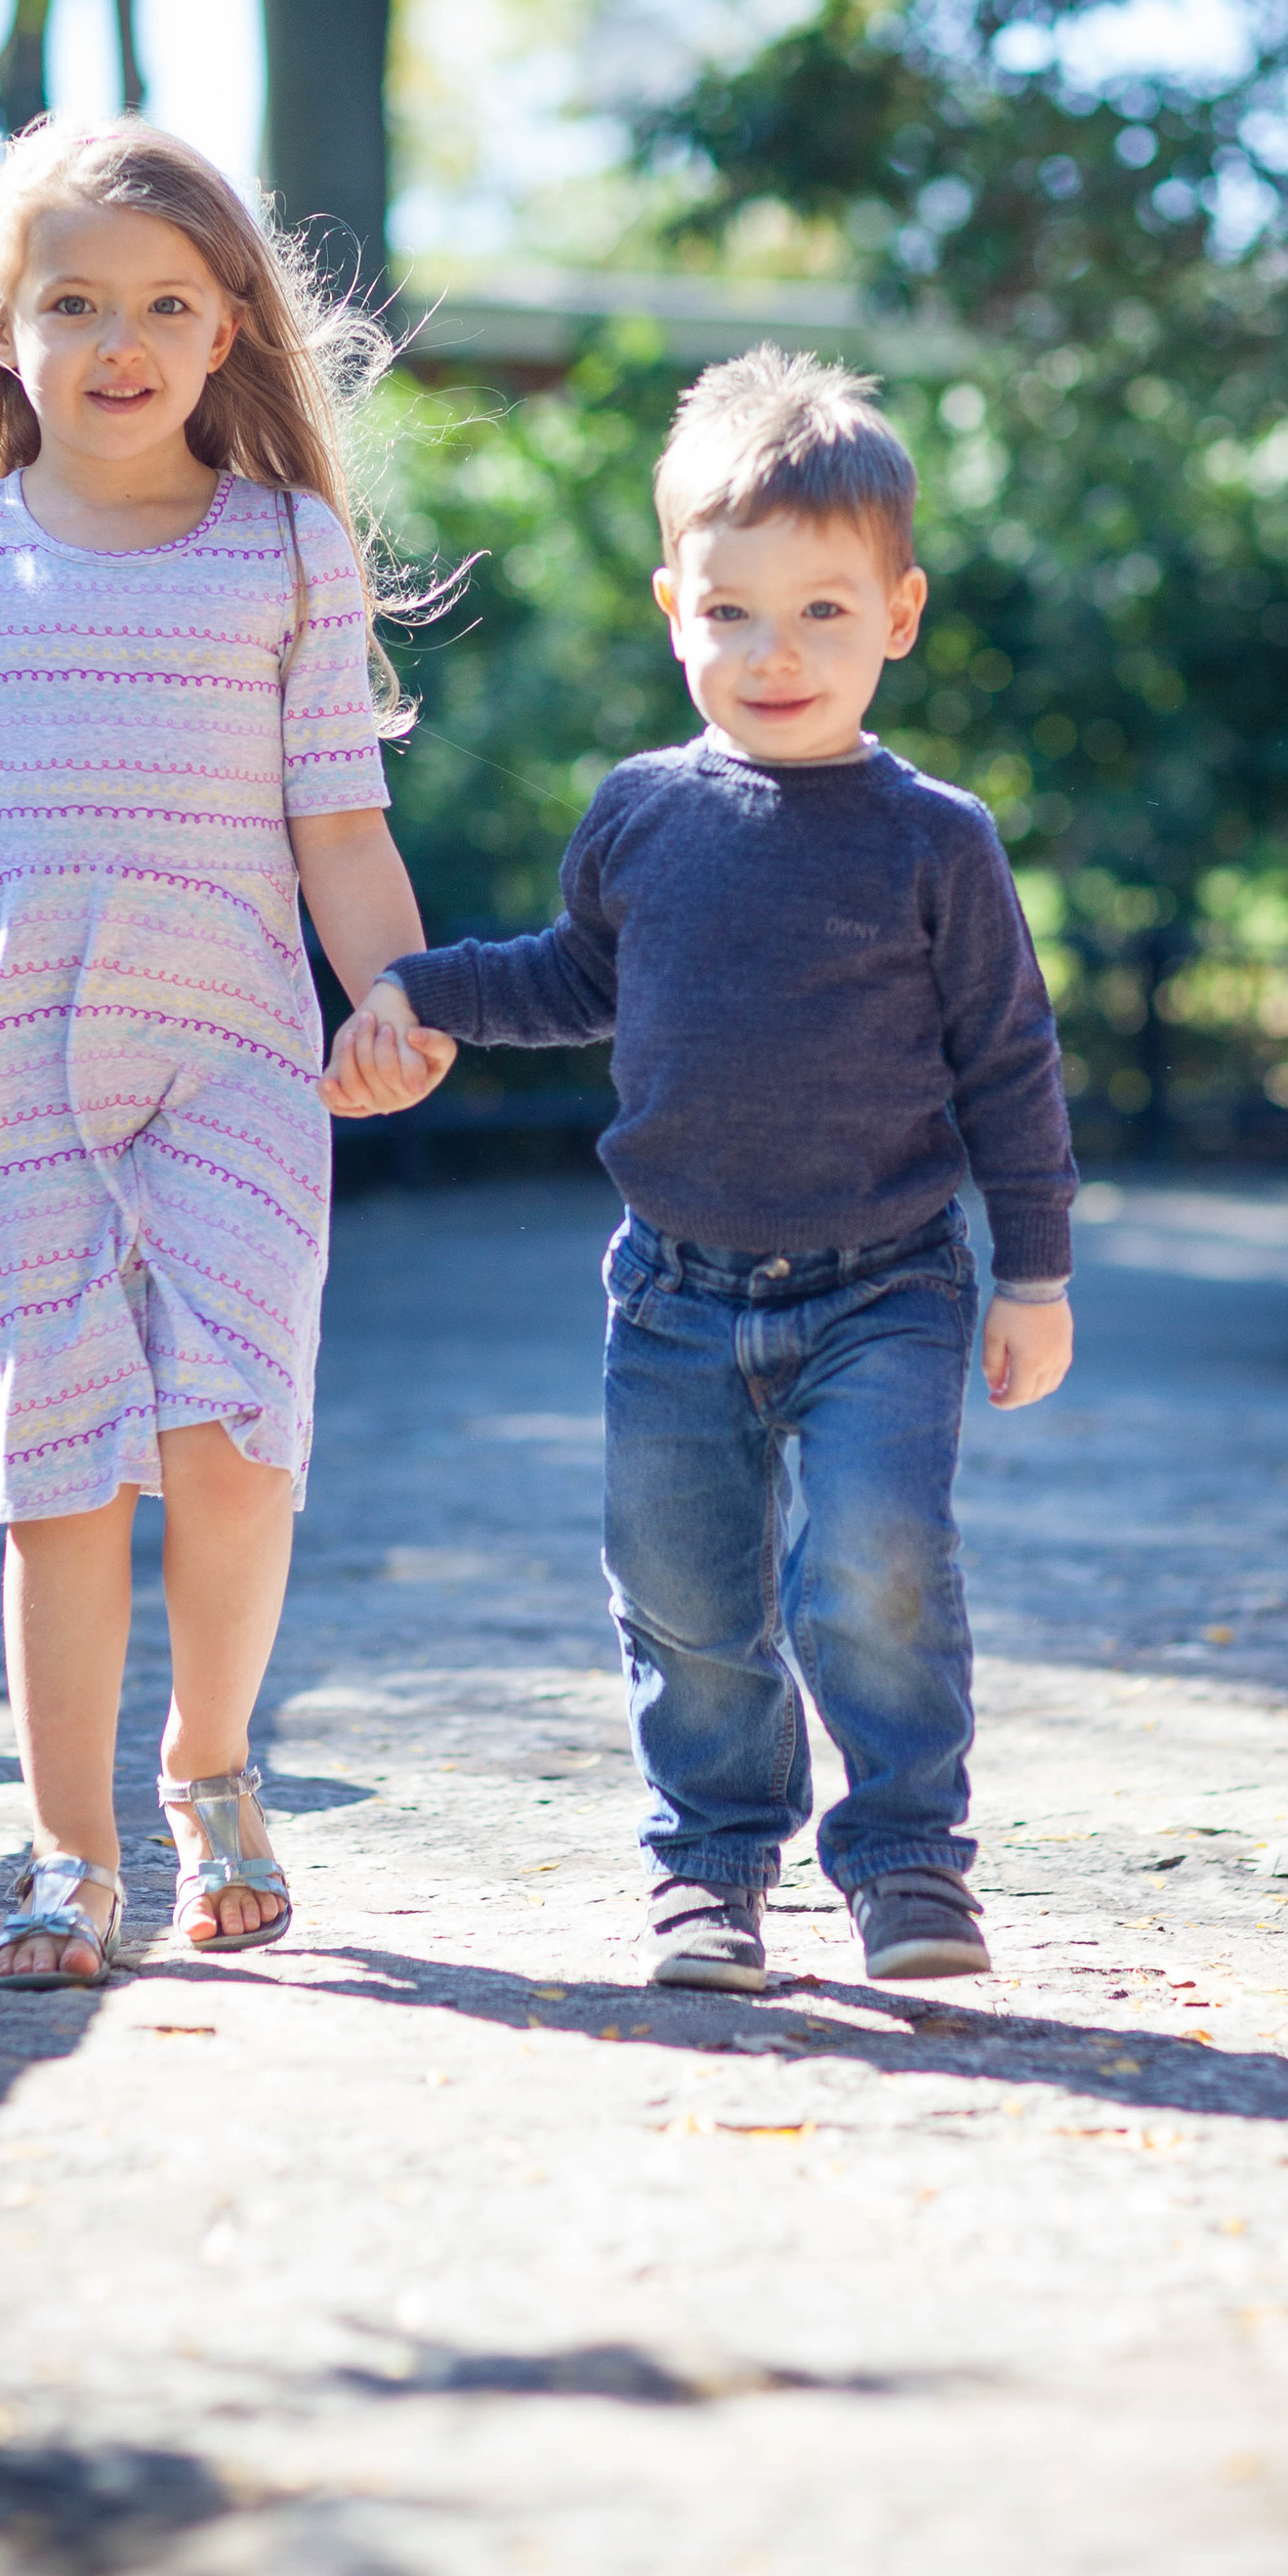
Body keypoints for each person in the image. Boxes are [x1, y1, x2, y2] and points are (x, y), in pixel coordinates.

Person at [323, 349, 1076, 1990]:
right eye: (732, 612)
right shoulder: (643, 815)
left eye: (822, 611)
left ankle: (906, 1862)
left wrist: (1035, 1269)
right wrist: (424, 992)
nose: (774, 652)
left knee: (871, 1566)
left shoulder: (936, 840)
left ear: (900, 612)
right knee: (683, 1595)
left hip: (887, 1279)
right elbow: (575, 977)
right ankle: (711, 1871)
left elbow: (1010, 1061)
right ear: (675, 607)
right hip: (672, 1289)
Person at [0, 117, 450, 1993]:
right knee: (62, 1462)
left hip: (241, 1044)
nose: (121, 338)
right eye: (73, 299)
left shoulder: (286, 550)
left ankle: (212, 1760)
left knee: (237, 1428)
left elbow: (339, 820)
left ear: (234, 325)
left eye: (168, 300)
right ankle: (69, 1858)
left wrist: (395, 999)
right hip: (15, 1059)